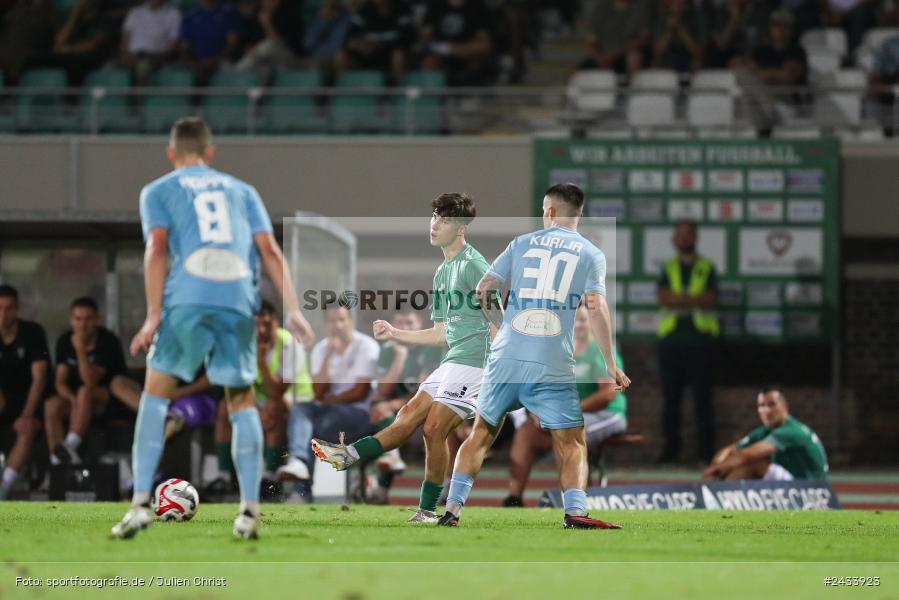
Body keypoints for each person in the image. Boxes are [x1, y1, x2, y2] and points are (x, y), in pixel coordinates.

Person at [110, 116, 314, 540]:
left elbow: (157, 249)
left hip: (188, 294)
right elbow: (271, 251)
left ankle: (140, 504)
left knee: (154, 393)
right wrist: (292, 308)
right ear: (210, 153)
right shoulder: (242, 191)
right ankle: (248, 512)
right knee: (240, 400)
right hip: (238, 297)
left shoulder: (159, 190)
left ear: (171, 153)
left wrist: (152, 315)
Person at [439, 183, 630, 529]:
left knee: (480, 433)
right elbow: (596, 307)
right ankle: (574, 512)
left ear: (552, 211)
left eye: (544, 209)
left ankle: (452, 510)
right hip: (551, 361)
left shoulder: (521, 243)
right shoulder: (590, 254)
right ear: (580, 214)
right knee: (572, 440)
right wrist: (610, 363)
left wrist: (502, 329)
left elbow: (483, 289)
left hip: (506, 357)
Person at [311, 193, 493, 523]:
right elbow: (440, 333)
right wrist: (396, 333)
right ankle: (349, 456)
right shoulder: (442, 272)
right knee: (408, 413)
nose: (435, 224)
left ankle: (427, 509)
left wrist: (503, 365)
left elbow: (498, 318)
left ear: (462, 228)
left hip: (477, 362)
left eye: (445, 220)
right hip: (454, 359)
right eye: (434, 217)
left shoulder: (474, 265)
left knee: (434, 427)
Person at [503, 304, 627, 507]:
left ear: (592, 324)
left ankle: (573, 499)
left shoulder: (600, 350)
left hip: (607, 414)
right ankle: (513, 497)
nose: (578, 325)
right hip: (564, 414)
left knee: (569, 430)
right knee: (526, 431)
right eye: (574, 320)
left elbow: (609, 393)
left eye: (583, 320)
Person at [278, 299, 379, 503]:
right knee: (301, 410)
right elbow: (318, 392)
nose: (337, 325)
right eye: (332, 321)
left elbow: (360, 392)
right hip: (329, 411)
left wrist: (332, 399)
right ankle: (298, 461)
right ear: (326, 323)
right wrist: (328, 356)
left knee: (311, 428)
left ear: (350, 320)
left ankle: (301, 491)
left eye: (341, 320)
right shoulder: (321, 349)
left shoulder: (366, 346)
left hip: (357, 413)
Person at [44, 296, 141, 466]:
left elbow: (90, 380)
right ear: (71, 320)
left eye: (88, 319)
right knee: (52, 404)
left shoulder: (107, 341)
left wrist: (81, 349)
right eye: (78, 319)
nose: (82, 325)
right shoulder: (64, 341)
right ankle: (57, 460)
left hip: (106, 400)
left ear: (97, 319)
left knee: (85, 392)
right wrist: (71, 399)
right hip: (76, 401)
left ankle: (70, 443)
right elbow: (60, 380)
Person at [656, 220, 718, 464]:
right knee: (671, 400)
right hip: (671, 342)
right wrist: (692, 298)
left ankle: (706, 453)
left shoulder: (707, 267)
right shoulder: (668, 267)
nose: (683, 239)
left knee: (703, 400)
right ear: (674, 239)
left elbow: (710, 299)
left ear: (695, 238)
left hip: (701, 342)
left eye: (687, 234)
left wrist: (680, 298)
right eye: (678, 234)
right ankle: (671, 453)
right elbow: (664, 298)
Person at [366, 309, 442, 504]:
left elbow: (425, 392)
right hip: (397, 414)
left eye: (409, 323)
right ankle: (380, 486)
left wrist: (393, 404)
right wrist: (399, 357)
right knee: (380, 410)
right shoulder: (388, 350)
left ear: (420, 325)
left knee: (386, 412)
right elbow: (383, 390)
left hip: (428, 412)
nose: (404, 328)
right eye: (399, 323)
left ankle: (442, 488)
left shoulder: (431, 349)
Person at [703, 387, 828, 481]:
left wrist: (714, 470)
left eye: (772, 404)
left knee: (753, 463)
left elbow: (745, 456)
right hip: (792, 484)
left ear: (785, 406)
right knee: (734, 462)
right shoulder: (766, 431)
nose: (766, 410)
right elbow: (730, 450)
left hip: (811, 489)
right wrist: (718, 466)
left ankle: (719, 499)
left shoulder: (791, 430)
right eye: (761, 405)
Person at [0, 285, 50, 499]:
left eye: (9, 308)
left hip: (31, 401)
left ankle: (4, 486)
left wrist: (27, 414)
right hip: (4, 401)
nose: (3, 313)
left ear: (17, 308)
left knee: (26, 429)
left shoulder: (32, 332)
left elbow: (39, 379)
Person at [336, 0, 414, 84]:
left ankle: (399, 92)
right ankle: (344, 92)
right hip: (367, 54)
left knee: (399, 56)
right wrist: (360, 44)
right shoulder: (364, 10)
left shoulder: (403, 9)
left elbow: (407, 38)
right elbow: (349, 38)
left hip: (391, 54)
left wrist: (380, 45)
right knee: (340, 56)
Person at [419, 0, 494, 86]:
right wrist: (441, 47)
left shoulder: (478, 6)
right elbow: (425, 36)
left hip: (468, 53)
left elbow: (485, 43)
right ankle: (433, 95)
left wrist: (453, 49)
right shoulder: (436, 5)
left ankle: (472, 91)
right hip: (441, 53)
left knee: (479, 54)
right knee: (429, 61)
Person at [578, 0, 650, 77]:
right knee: (578, 71)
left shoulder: (639, 10)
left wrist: (614, 54)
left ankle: (632, 86)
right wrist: (599, 57)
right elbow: (591, 39)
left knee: (633, 58)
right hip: (602, 55)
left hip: (623, 55)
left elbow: (641, 40)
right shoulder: (602, 8)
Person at [179, 0, 241, 86]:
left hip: (222, 61)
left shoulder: (228, 12)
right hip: (196, 62)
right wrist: (194, 63)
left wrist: (215, 60)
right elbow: (184, 46)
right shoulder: (190, 14)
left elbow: (232, 42)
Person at [120, 0, 182, 87]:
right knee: (108, 69)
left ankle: (137, 98)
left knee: (143, 67)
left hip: (155, 57)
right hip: (132, 56)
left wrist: (154, 56)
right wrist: (126, 56)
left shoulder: (173, 14)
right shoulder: (135, 12)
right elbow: (125, 38)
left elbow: (173, 45)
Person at [52, 0, 114, 87]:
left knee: (73, 63)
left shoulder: (103, 18)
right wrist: (73, 16)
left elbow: (93, 44)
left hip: (93, 59)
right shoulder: (73, 21)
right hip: (70, 58)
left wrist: (68, 49)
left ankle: (72, 97)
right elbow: (59, 42)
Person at [651, 0, 707, 74]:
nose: (676, 4)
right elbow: (657, 51)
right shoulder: (662, 17)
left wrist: (680, 27)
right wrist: (669, 30)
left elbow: (699, 52)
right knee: (657, 63)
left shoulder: (697, 16)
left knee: (697, 63)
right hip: (668, 57)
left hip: (689, 57)